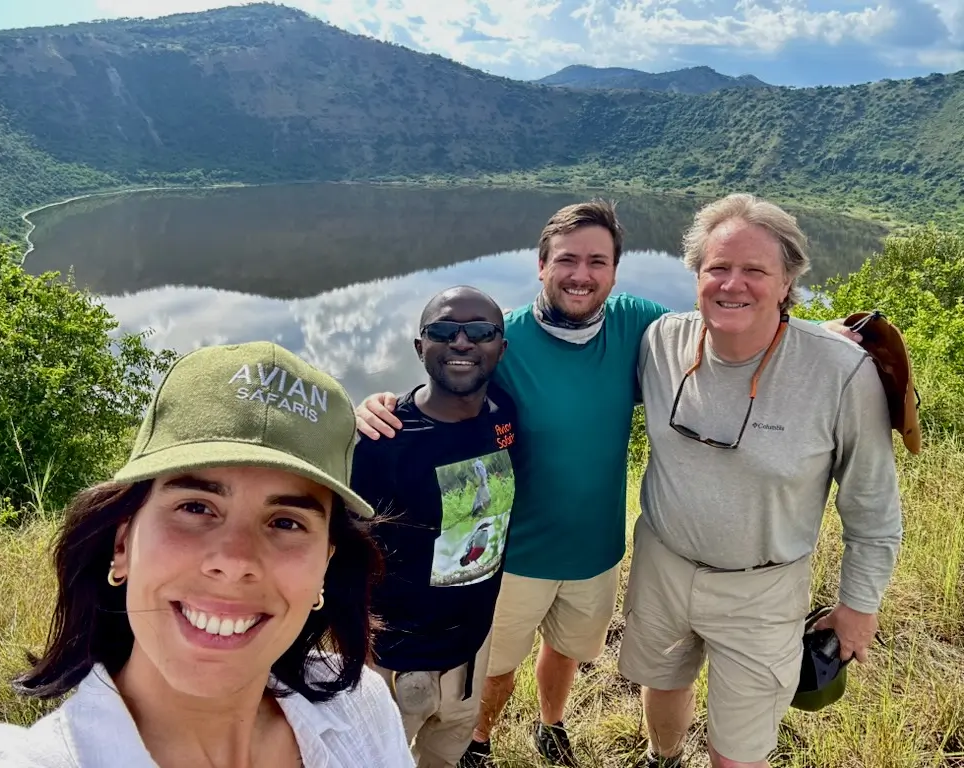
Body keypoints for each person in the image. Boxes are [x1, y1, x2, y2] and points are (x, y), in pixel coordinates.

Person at [0, 341, 415, 768]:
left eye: (286, 522)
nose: (234, 560)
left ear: (325, 566)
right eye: (195, 507)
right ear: (122, 543)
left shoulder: (360, 711)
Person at [356, 201, 671, 767]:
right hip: (510, 555)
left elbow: (717, 332)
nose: (582, 274)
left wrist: (815, 336)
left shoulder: (636, 323)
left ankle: (551, 725)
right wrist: (377, 408)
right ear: (542, 266)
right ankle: (477, 741)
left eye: (597, 261)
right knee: (492, 666)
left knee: (568, 649)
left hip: (597, 550)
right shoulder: (504, 340)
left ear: (615, 271)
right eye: (567, 259)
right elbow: (447, 383)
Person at [617, 193, 903, 768]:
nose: (732, 284)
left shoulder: (840, 373)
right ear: (696, 275)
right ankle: (662, 757)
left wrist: (858, 605)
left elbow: (872, 506)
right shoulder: (661, 342)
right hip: (662, 562)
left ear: (787, 281)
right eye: (717, 268)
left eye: (755, 271)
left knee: (741, 747)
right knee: (664, 678)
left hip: (763, 587)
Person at [351, 285, 518, 768]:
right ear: (420, 347)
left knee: (446, 757)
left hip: (470, 649)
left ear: (500, 348)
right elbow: (342, 552)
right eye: (443, 330)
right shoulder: (381, 439)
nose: (462, 342)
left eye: (481, 331)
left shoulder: (504, 414)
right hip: (393, 662)